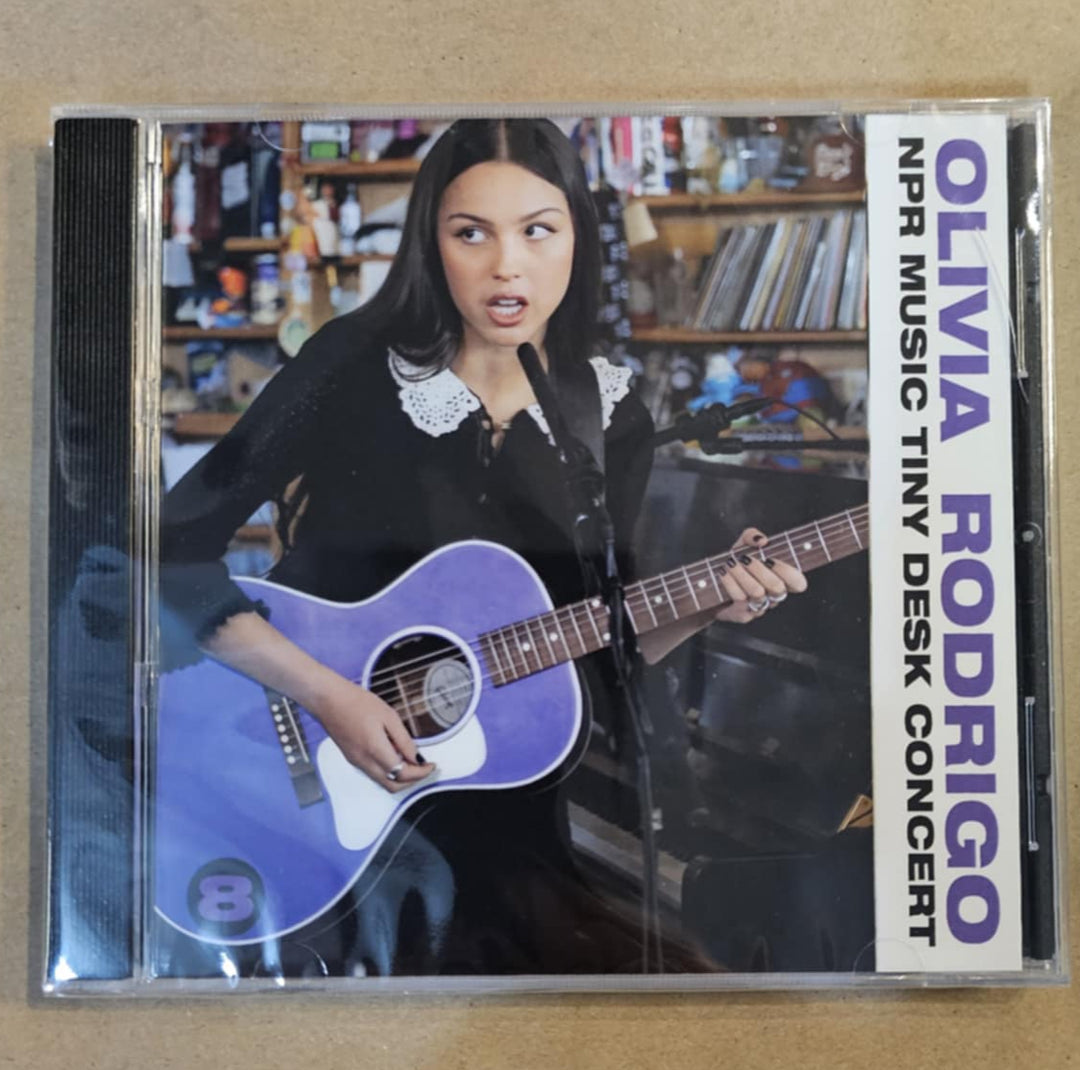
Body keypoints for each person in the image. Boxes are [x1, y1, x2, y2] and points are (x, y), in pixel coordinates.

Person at [159, 117, 808, 977]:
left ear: (577, 237)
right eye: (473, 233)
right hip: (290, 779)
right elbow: (170, 550)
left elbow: (595, 659)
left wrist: (706, 607)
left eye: (539, 230)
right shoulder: (352, 364)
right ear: (433, 244)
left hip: (496, 811)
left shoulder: (608, 413)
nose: (508, 266)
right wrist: (330, 697)